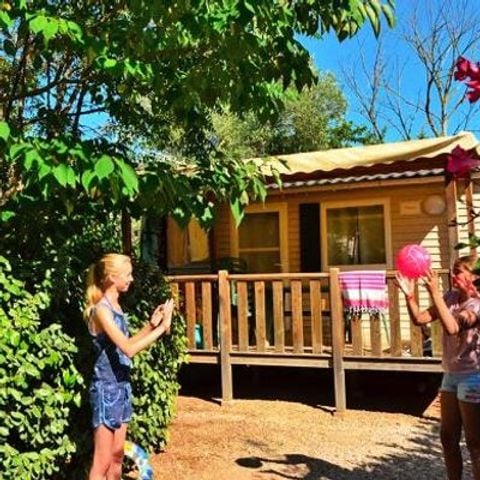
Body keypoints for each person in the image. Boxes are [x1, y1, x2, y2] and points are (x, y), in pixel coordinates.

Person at [84, 253, 174, 480]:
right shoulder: (101, 310)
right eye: (128, 274)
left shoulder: (116, 307)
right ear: (112, 277)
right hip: (106, 390)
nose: (131, 279)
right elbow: (128, 349)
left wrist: (150, 325)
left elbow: (125, 342)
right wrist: (161, 329)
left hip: (121, 388)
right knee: (102, 462)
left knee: (116, 458)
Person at [396, 255, 480, 480]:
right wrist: (409, 296)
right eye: (453, 270)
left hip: (473, 376)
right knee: (448, 437)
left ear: (474, 276)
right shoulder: (450, 297)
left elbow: (453, 327)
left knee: (475, 443)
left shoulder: (477, 305)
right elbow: (420, 318)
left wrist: (434, 292)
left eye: (459, 271)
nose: (453, 275)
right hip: (451, 375)